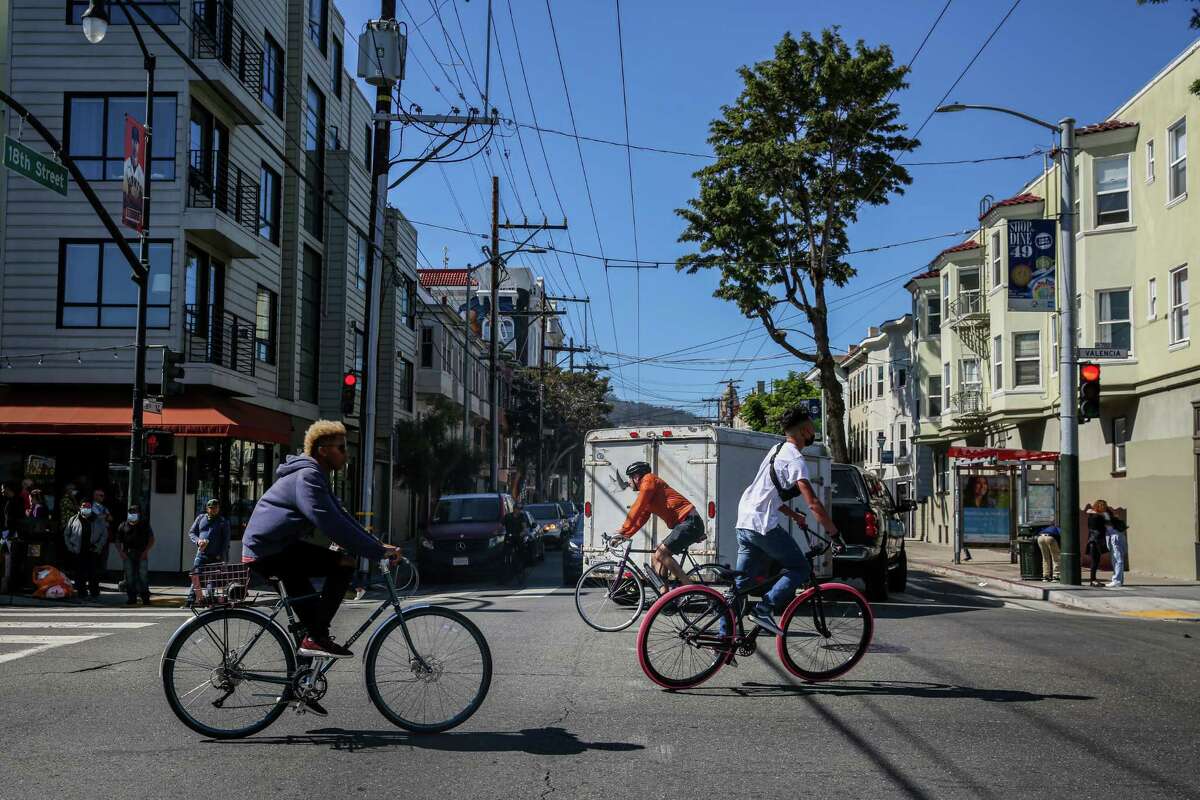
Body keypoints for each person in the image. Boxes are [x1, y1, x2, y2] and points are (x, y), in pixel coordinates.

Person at [242, 420, 401, 669]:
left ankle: (302, 684)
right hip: (269, 551)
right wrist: (375, 552)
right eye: (342, 448)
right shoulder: (308, 476)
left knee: (311, 620)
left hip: (278, 549)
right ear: (323, 449)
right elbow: (330, 523)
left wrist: (377, 545)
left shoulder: (317, 476)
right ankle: (316, 638)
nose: (346, 455)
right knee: (344, 564)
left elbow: (342, 516)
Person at [729, 406, 840, 635]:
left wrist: (793, 515)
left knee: (740, 586)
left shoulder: (776, 449)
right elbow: (814, 504)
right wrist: (834, 534)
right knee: (799, 567)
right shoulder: (796, 459)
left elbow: (765, 492)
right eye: (812, 426)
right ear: (805, 430)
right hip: (762, 525)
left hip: (745, 520)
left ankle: (724, 636)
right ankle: (764, 609)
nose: (813, 430)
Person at [613, 461, 706, 586]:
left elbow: (638, 506)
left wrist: (623, 529)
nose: (629, 483)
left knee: (661, 554)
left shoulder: (649, 480)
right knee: (655, 558)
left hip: (690, 522)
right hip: (684, 524)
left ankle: (690, 587)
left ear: (636, 476)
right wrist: (625, 535)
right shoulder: (649, 493)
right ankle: (664, 596)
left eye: (630, 478)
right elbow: (641, 518)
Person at [64, 501, 107, 599]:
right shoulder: (73, 519)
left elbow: (104, 535)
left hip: (92, 550)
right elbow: (67, 534)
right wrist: (70, 547)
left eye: (87, 506)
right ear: (80, 507)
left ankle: (94, 592)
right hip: (78, 550)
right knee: (79, 573)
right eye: (83, 506)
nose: (85, 508)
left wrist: (98, 546)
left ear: (91, 508)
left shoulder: (98, 519)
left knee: (93, 573)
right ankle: (81, 591)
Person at [114, 505, 154, 605]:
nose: (132, 514)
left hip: (141, 553)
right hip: (127, 554)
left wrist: (146, 552)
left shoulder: (144, 525)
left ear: (139, 514)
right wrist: (121, 552)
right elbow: (117, 540)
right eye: (131, 512)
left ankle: (145, 598)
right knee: (129, 577)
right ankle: (131, 598)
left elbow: (151, 539)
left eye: (135, 512)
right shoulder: (123, 525)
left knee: (143, 576)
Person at [1086, 500, 1111, 587]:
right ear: (1098, 507)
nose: (1104, 507)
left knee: (1096, 561)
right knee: (1095, 561)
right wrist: (1106, 516)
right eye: (1103, 506)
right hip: (1095, 541)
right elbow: (1108, 524)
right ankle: (1092, 580)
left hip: (1094, 541)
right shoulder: (1097, 517)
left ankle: (1093, 580)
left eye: (1105, 505)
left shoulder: (1093, 515)